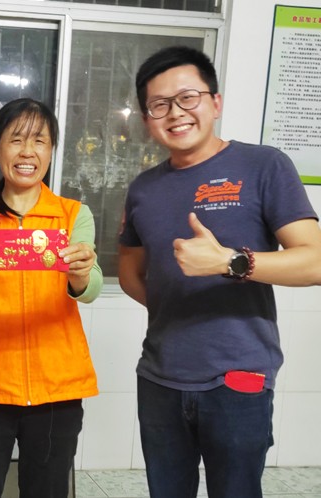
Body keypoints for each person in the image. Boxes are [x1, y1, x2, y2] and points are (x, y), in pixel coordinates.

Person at [118, 45, 321, 498]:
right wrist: (173, 305)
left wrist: (230, 262)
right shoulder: (144, 189)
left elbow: (314, 261)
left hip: (239, 377)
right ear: (148, 119)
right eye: (159, 104)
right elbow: (130, 270)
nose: (176, 113)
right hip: (159, 376)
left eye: (187, 97)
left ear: (215, 102)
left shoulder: (263, 165)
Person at [0, 98, 103, 498]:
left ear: (51, 151)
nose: (28, 152)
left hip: (57, 388)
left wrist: (81, 275)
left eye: (40, 141)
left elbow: (92, 287)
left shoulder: (74, 215)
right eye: (16, 140)